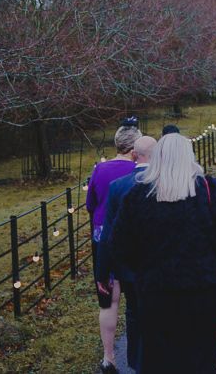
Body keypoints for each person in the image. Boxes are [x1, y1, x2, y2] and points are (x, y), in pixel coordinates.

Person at [109, 134, 216, 374]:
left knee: (159, 358)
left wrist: (143, 266)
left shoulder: (138, 196)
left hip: (156, 291)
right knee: (201, 357)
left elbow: (119, 246)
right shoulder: (206, 189)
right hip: (203, 288)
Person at [96, 135, 157, 371]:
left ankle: (138, 362)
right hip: (159, 264)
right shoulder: (164, 182)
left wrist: (102, 272)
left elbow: (107, 233)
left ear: (135, 154)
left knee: (134, 313)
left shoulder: (118, 186)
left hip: (129, 266)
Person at [86, 118, 141, 374]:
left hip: (102, 240)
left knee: (108, 302)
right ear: (134, 149)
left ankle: (109, 358)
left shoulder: (100, 170)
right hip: (132, 240)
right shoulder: (140, 170)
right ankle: (140, 354)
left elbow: (91, 204)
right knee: (137, 299)